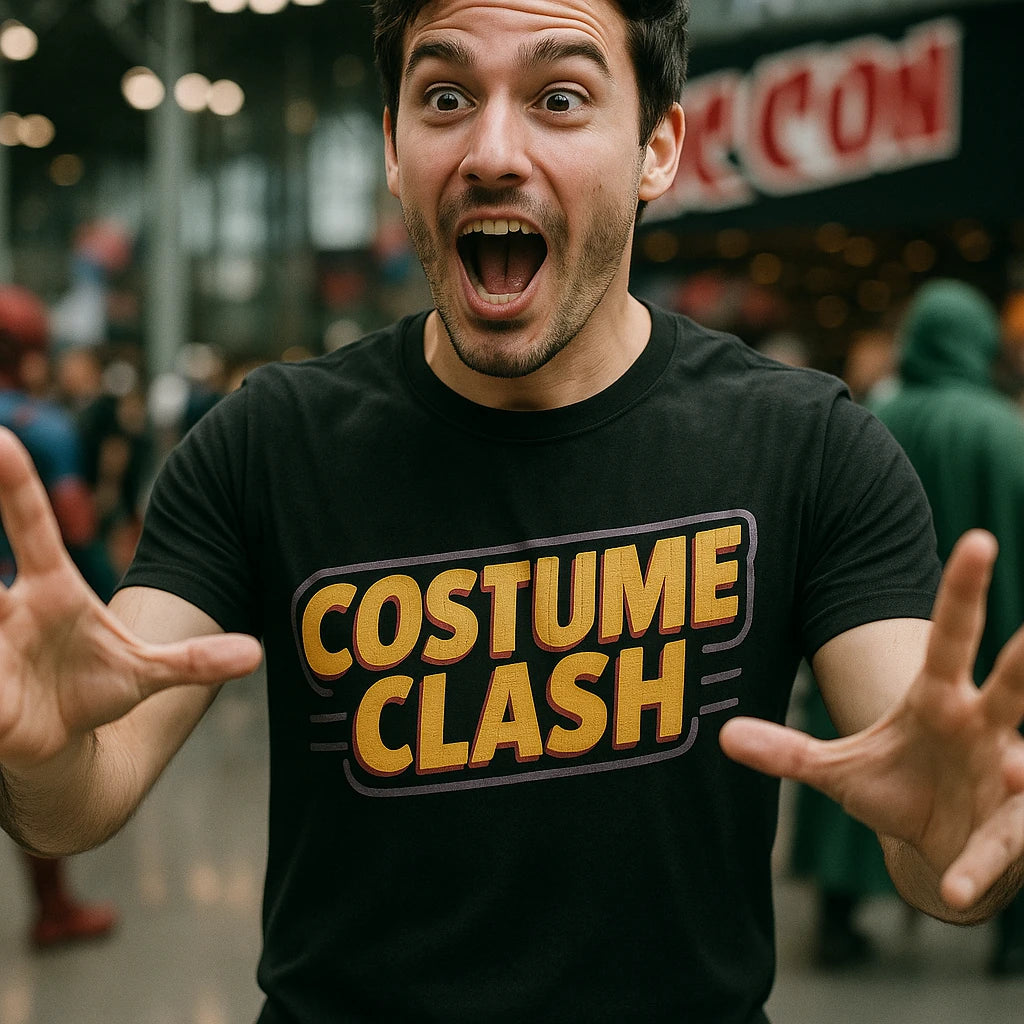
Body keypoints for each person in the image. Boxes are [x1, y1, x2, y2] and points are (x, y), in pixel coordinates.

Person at [1, 3, 1024, 1021]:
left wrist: (952, 824)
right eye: (444, 95)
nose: (492, 151)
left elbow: (934, 822)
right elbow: (86, 794)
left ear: (656, 148)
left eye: (560, 97)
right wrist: (38, 749)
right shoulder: (266, 442)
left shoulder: (811, 448)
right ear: (395, 150)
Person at [870, 278, 1024, 976]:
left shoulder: (875, 423)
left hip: (883, 632)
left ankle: (844, 911)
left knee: (871, 750)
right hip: (1002, 632)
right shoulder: (1008, 430)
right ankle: (1014, 933)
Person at [0, 284, 118, 948]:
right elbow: (77, 529)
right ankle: (53, 910)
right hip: (27, 627)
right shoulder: (41, 428)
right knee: (33, 772)